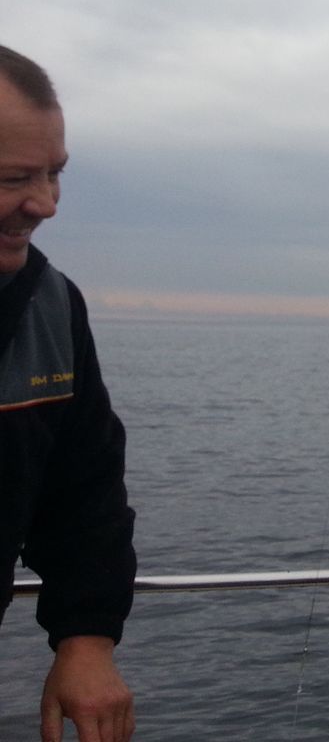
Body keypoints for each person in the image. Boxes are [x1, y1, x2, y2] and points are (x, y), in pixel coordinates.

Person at [0, 45, 136, 742]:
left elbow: (83, 492)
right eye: (15, 178)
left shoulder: (51, 307)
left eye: (54, 174)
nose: (45, 205)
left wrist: (85, 637)